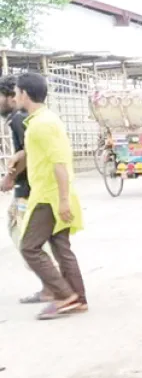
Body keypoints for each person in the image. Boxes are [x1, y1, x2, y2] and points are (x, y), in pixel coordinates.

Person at [16, 72, 87, 319]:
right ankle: (78, 299)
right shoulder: (43, 120)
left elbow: (59, 161)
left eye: (16, 92)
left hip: (49, 196)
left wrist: (64, 199)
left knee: (29, 247)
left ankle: (64, 296)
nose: (15, 97)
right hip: (54, 192)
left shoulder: (41, 124)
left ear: (24, 94)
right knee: (60, 247)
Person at [0, 74, 51, 304]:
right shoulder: (21, 118)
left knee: (24, 238)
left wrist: (10, 177)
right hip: (31, 185)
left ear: (13, 96)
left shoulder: (18, 119)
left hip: (28, 187)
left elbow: (28, 153)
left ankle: (51, 285)